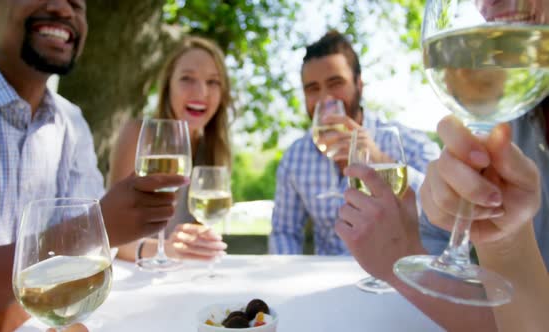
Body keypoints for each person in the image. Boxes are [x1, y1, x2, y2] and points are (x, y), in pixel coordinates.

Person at [0, 0, 186, 328]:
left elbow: (84, 271)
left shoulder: (71, 122)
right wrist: (102, 225)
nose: (64, 11)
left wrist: (12, 310)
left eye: (77, 4)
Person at [336, 114, 549, 331]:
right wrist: (505, 242)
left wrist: (400, 262)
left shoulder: (515, 105)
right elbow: (511, 314)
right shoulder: (515, 117)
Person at [269, 30, 440, 255]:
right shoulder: (295, 157)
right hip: (328, 279)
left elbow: (442, 217)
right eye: (312, 89)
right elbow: (285, 231)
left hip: (395, 279)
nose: (324, 99)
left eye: (335, 83)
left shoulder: (408, 142)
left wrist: (379, 159)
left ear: (359, 85)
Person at [110, 36, 231, 263]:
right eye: (187, 78)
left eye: (213, 82)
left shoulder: (215, 148)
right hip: (137, 277)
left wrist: (200, 244)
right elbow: (112, 237)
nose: (201, 92)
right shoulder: (138, 135)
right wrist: (166, 249)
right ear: (168, 87)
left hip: (183, 278)